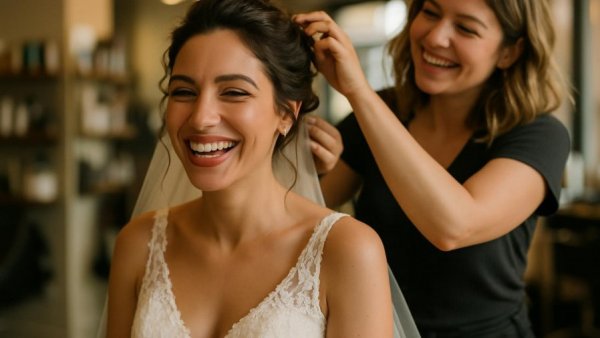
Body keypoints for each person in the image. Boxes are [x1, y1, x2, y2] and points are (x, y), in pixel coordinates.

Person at [103, 0, 420, 337]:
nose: (200, 117)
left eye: (235, 92)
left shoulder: (347, 251)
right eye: (184, 91)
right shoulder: (138, 244)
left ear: (286, 113)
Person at [294, 0, 571, 336]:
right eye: (431, 13)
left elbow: (454, 226)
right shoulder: (382, 112)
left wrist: (359, 92)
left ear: (510, 52)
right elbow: (293, 221)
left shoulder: (539, 135)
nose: (436, 37)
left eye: (466, 28)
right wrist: (307, 167)